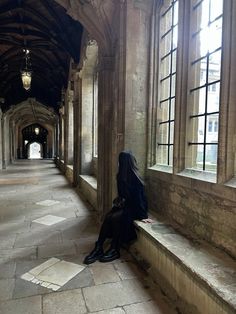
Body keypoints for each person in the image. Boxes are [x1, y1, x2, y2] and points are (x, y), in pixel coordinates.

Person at [83, 150, 151, 264]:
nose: (118, 164)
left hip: (136, 208)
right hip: (126, 206)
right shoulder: (120, 177)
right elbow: (122, 196)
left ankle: (115, 248)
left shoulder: (135, 179)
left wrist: (143, 216)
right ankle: (99, 246)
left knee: (116, 218)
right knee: (109, 216)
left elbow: (140, 200)